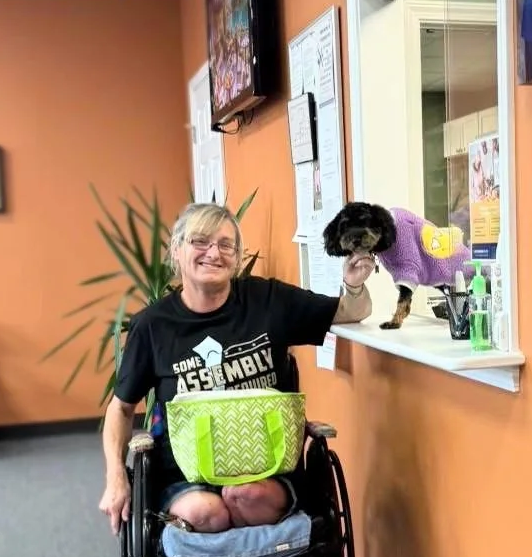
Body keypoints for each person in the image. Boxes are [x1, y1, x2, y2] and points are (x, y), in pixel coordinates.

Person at [98, 202, 375, 536]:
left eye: (226, 245)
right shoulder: (152, 326)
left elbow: (351, 312)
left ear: (238, 256)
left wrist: (354, 284)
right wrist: (116, 476)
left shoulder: (268, 300)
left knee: (246, 495)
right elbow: (121, 408)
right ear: (177, 250)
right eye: (200, 241)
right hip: (185, 474)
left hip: (266, 468)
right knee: (205, 512)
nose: (214, 253)